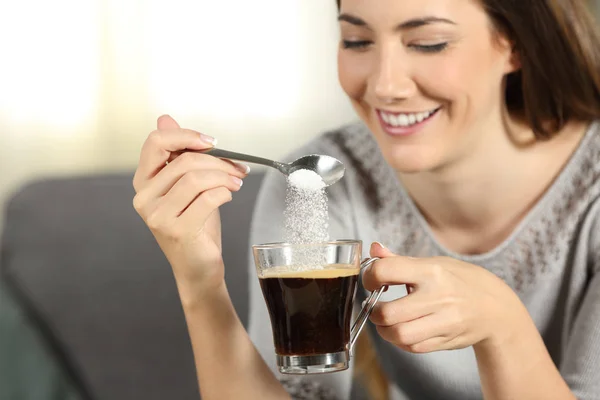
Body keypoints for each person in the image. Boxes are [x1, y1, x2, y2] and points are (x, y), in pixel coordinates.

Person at [132, 0, 600, 399]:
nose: (384, 86)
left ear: (514, 43)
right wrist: (200, 283)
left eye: (428, 42)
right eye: (356, 41)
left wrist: (503, 326)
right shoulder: (314, 182)